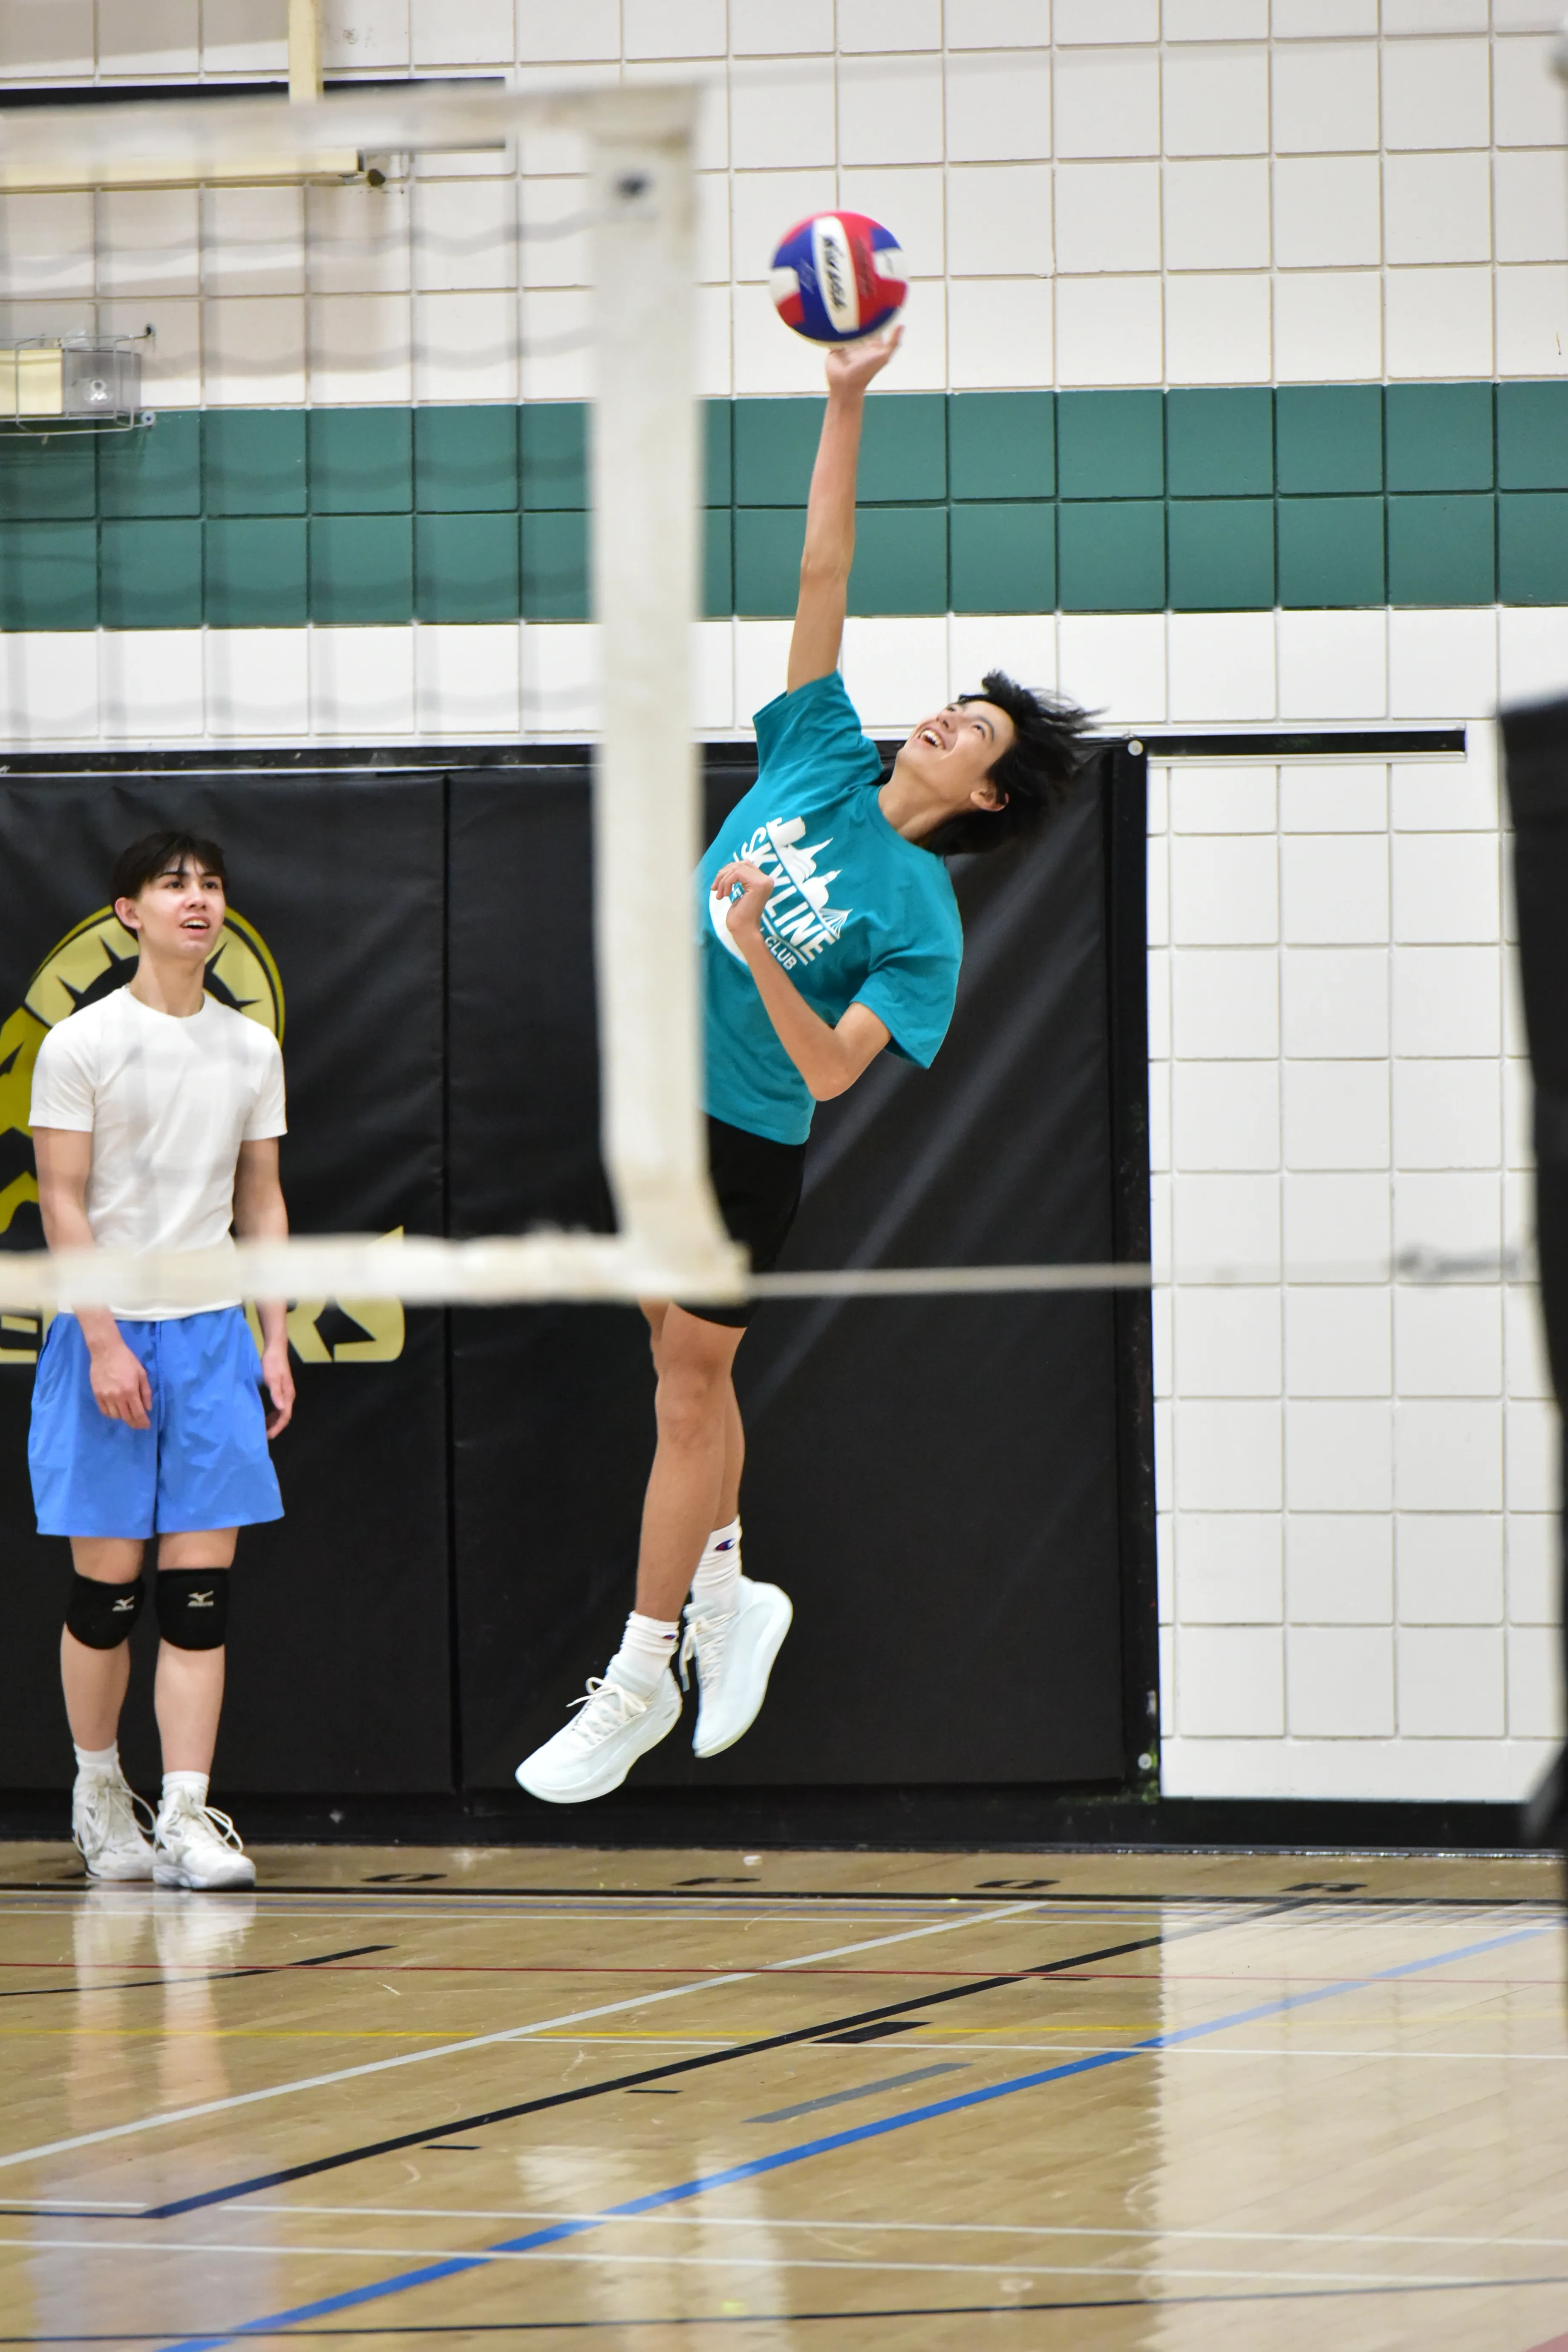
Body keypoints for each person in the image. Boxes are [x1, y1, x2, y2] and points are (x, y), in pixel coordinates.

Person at [516, 328, 1090, 1805]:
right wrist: (843, 401)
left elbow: (834, 1076)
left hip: (742, 1146)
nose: (953, 713)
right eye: (962, 697)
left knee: (688, 1401)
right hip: (657, 1109)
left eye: (983, 728)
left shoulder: (923, 924)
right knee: (677, 1375)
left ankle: (643, 1670)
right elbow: (821, 574)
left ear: (992, 791)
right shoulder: (821, 751)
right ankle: (732, 1594)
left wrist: (764, 948)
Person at [28, 831, 294, 1890]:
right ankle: (102, 1794)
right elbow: (59, 1200)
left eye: (211, 884)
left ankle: (188, 1815)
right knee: (109, 1592)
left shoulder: (251, 1049)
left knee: (200, 1597)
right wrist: (99, 1339)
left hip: (212, 1336)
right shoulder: (81, 1043)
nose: (198, 900)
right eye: (173, 885)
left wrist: (273, 1341)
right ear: (127, 911)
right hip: (105, 1332)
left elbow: (264, 1200)